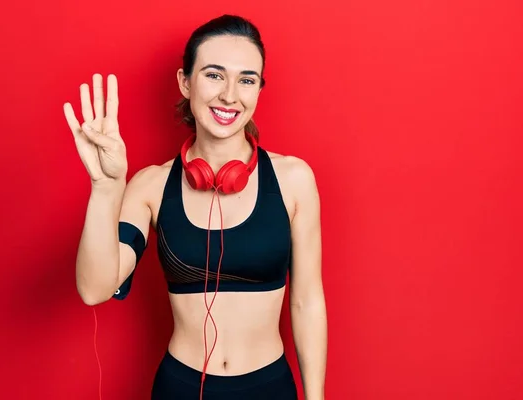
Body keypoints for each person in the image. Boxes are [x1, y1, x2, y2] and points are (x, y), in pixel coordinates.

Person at [63, 14, 327, 400]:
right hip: (181, 387)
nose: (230, 95)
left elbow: (306, 301)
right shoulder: (150, 186)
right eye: (214, 75)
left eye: (247, 80)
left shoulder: (294, 180)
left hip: (269, 386)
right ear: (185, 82)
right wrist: (106, 187)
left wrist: (316, 397)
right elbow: (95, 289)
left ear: (258, 90)